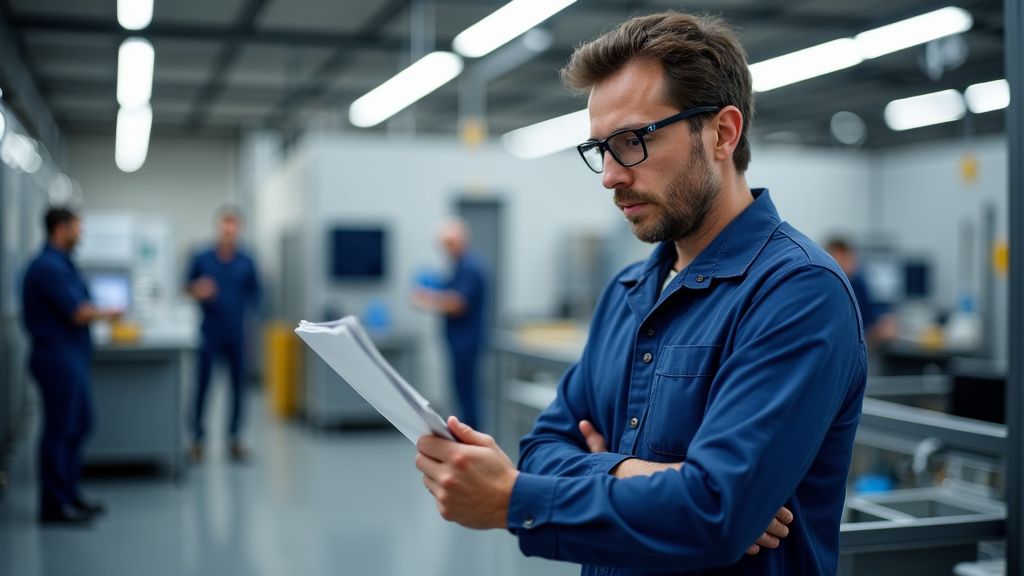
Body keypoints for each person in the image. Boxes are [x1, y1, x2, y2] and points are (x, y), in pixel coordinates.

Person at [414, 11, 867, 575]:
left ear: (722, 133)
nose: (610, 175)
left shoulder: (797, 291)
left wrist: (516, 497)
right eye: (600, 149)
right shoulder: (628, 291)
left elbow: (716, 511)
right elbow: (542, 448)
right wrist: (643, 475)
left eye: (632, 141)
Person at [22, 207, 123, 525]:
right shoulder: (47, 267)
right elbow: (78, 312)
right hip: (57, 359)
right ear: (60, 229)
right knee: (60, 431)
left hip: (72, 358)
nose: (82, 233)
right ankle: (54, 506)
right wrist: (112, 312)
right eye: (77, 227)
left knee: (79, 425)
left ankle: (68, 494)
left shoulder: (64, 263)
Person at [185, 208, 261, 462]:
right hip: (210, 330)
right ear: (218, 227)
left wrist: (251, 326)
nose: (229, 230)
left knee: (238, 388)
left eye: (233, 225)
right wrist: (197, 290)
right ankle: (197, 439)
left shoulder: (247, 261)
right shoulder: (203, 258)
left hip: (237, 331)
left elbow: (257, 295)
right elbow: (186, 287)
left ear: (239, 228)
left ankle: (235, 438)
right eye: (225, 225)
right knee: (202, 385)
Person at [413, 217, 489, 430]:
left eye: (449, 243)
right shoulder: (458, 267)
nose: (446, 249)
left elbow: (458, 304)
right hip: (458, 340)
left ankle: (473, 434)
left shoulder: (471, 267)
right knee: (461, 390)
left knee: (468, 392)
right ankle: (467, 431)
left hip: (467, 341)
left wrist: (426, 299)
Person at [825, 238, 900, 347]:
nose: (845, 264)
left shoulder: (858, 282)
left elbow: (872, 309)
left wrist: (883, 320)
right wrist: (874, 334)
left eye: (846, 258)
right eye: (839, 260)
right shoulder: (830, 289)